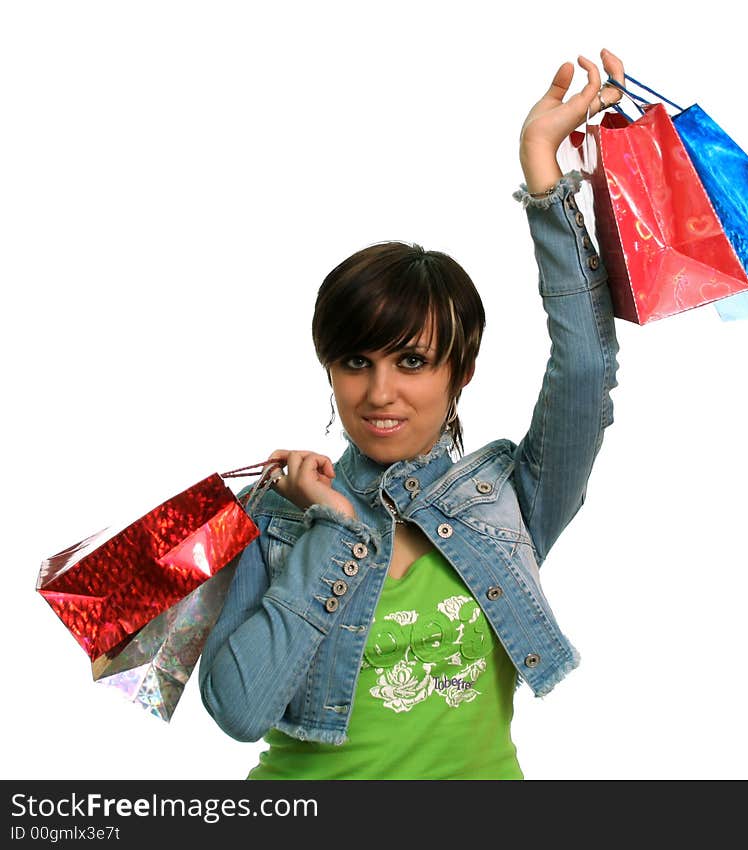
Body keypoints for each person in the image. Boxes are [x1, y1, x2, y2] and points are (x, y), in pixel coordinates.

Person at [199, 49, 624, 780]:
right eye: (356, 362)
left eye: (413, 362)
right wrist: (330, 525)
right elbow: (239, 712)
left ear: (461, 371)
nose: (379, 393)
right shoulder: (278, 514)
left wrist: (541, 167)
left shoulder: (510, 503)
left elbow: (585, 366)